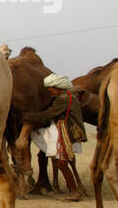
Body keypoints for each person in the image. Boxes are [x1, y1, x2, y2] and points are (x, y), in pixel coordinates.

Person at [25, 73, 85, 201]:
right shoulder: (68, 96)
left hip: (65, 133)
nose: (49, 91)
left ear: (57, 87)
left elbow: (49, 114)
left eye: (50, 88)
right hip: (65, 131)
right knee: (62, 162)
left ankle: (74, 193)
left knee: (62, 163)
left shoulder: (63, 98)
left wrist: (28, 117)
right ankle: (74, 191)